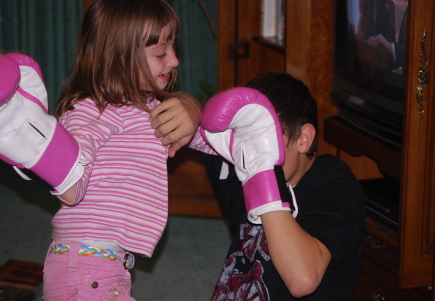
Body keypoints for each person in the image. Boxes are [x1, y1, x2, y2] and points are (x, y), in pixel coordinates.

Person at [0, 0, 215, 299]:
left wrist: (198, 113)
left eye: (173, 47)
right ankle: (20, 128)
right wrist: (61, 169)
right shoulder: (94, 110)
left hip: (98, 267)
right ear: (120, 57)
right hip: (87, 267)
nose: (175, 60)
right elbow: (72, 189)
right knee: (69, 175)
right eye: (161, 53)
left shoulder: (148, 109)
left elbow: (212, 141)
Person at [201, 72, 366, 300]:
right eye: (244, 139)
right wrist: (188, 108)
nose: (250, 152)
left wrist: (263, 175)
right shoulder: (241, 166)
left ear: (303, 139)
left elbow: (302, 280)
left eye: (262, 139)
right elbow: (190, 119)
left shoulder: (333, 180)